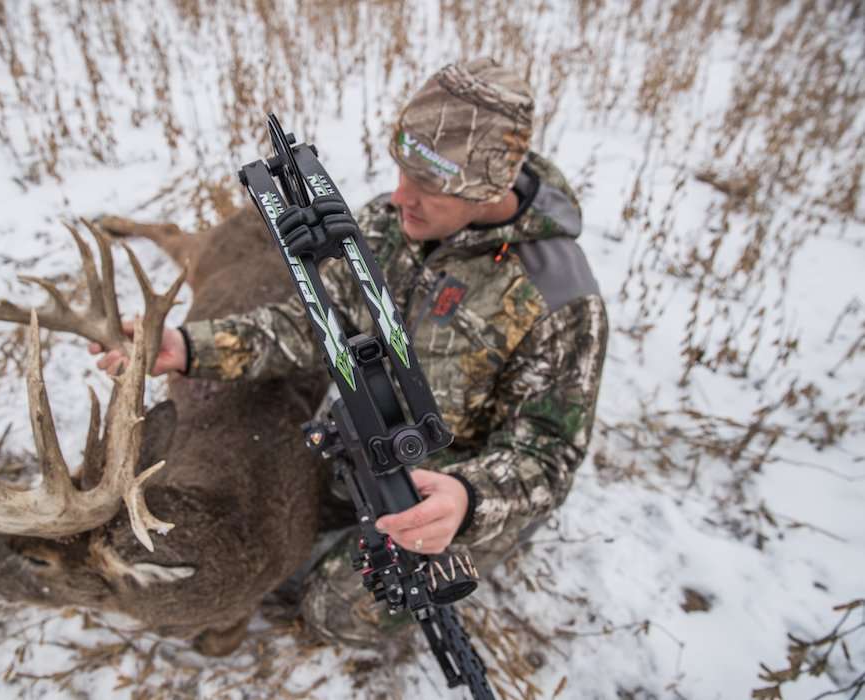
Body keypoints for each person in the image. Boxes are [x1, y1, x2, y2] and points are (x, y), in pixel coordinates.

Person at [92, 58, 608, 648]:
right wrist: (187, 348)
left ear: (487, 188)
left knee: (337, 612)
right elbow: (313, 321)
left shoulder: (560, 299)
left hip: (462, 483)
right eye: (400, 171)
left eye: (430, 185)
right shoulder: (391, 227)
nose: (399, 196)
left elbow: (548, 452)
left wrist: (469, 502)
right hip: (372, 438)